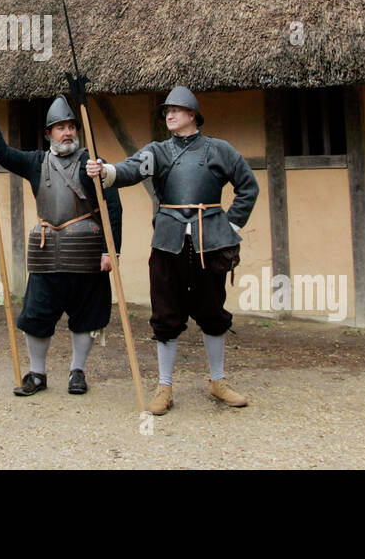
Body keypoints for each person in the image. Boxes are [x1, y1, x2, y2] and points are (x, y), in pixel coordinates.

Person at [88, 86, 258, 415]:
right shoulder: (158, 151)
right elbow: (130, 170)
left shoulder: (219, 150)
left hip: (210, 243)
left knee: (212, 311)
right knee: (166, 314)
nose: (169, 114)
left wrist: (230, 227)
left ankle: (218, 381)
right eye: (166, 110)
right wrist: (106, 171)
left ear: (193, 115)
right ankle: (165, 386)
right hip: (168, 240)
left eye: (176, 110)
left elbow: (248, 186)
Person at [0, 94, 122, 396]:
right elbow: (1, 152)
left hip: (86, 252)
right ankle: (37, 374)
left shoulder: (93, 165)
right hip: (46, 252)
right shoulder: (35, 163)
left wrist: (111, 250)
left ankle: (77, 372)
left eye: (71, 127)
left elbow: (113, 208)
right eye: (60, 128)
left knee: (86, 315)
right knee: (36, 315)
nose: (67, 133)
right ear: (48, 134)